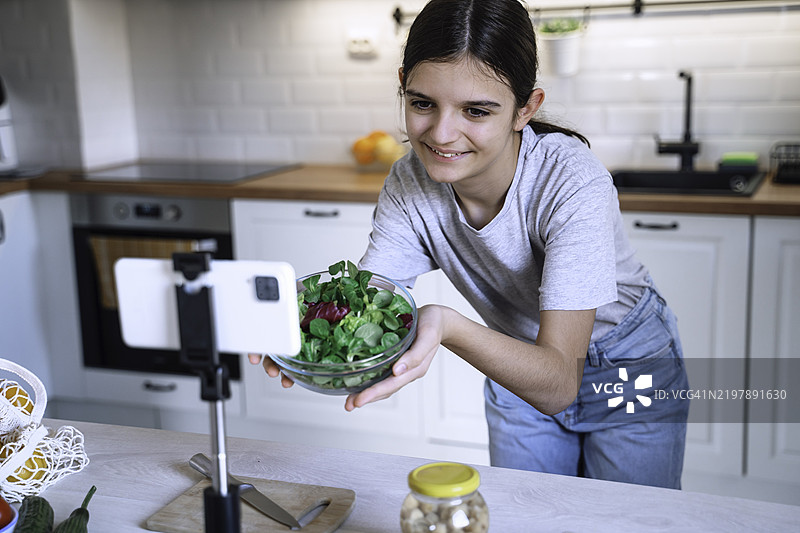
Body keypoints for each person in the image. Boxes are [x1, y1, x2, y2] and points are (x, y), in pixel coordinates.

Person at [251, 0, 690, 489]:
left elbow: (559, 382)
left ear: (527, 108)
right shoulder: (409, 182)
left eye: (476, 111)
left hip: (628, 365)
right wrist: (301, 335)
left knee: (630, 523)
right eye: (422, 103)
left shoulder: (571, 182)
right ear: (402, 85)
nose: (441, 134)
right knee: (527, 518)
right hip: (518, 364)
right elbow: (371, 307)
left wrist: (446, 324)